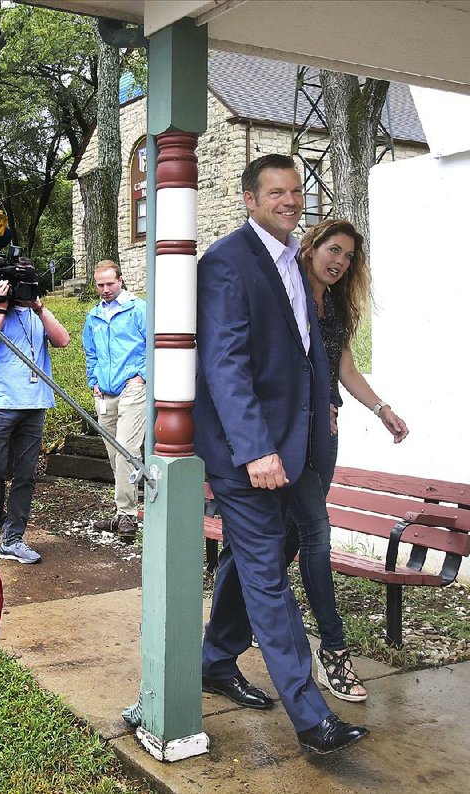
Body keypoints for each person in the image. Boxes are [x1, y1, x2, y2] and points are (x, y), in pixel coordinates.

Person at [193, 154, 368, 754]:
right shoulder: (225, 262)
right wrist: (255, 449)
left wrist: (321, 433)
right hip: (251, 456)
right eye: (275, 192)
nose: (289, 200)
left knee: (251, 561)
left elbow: (307, 356)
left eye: (296, 191)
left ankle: (216, 659)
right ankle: (311, 716)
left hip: (297, 452)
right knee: (269, 575)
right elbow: (225, 363)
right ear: (249, 198)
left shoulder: (296, 261)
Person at [284, 218, 409, 701]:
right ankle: (333, 650)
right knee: (315, 533)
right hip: (289, 432)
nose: (339, 261)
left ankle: (233, 623)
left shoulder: (333, 305)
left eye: (349, 256)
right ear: (312, 246)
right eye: (333, 250)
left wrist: (382, 409)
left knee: (288, 536)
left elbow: (344, 366)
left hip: (324, 433)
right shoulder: (285, 291)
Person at [0, 264, 70, 564]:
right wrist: (0, 309)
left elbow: (63, 340)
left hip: (33, 404)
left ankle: (14, 538)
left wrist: (39, 307)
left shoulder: (35, 313)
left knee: (25, 475)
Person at [82, 260, 147, 542]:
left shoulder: (139, 309)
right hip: (105, 393)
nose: (105, 289)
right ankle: (123, 510)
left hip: (133, 388)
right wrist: (93, 381)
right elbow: (90, 353)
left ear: (121, 280)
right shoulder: (93, 316)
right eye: (100, 285)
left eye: (110, 283)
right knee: (113, 453)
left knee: (126, 450)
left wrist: (143, 375)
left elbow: (156, 343)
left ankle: (127, 517)